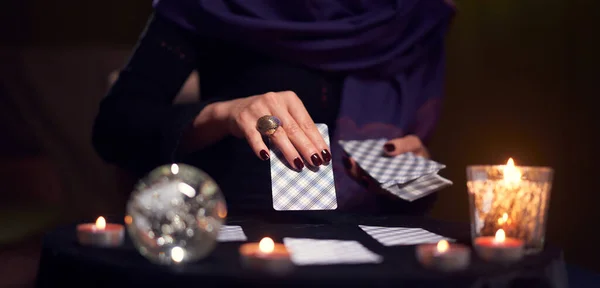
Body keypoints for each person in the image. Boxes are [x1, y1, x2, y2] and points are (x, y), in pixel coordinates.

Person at [92, 0, 455, 215]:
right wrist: (224, 114)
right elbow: (114, 129)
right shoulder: (214, 7)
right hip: (242, 250)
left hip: (373, 262)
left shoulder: (412, 17)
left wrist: (413, 178)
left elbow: (409, 198)